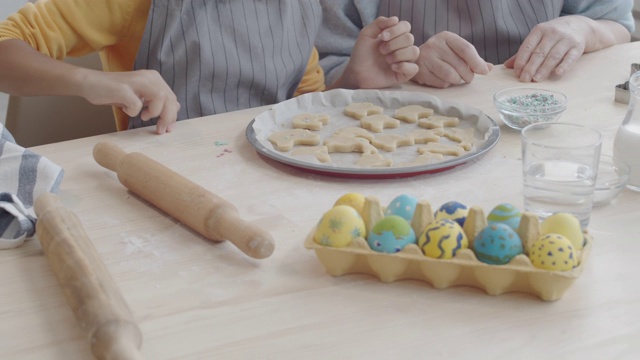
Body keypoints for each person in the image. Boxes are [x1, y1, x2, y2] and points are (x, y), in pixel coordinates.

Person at [0, 0, 419, 135]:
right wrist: (92, 81)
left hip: (267, 195)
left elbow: (301, 115)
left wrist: (352, 81)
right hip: (163, 196)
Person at [317, 0, 634, 88]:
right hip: (411, 136)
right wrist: (399, 64)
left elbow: (617, 25)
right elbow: (331, 69)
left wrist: (582, 27)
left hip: (543, 125)